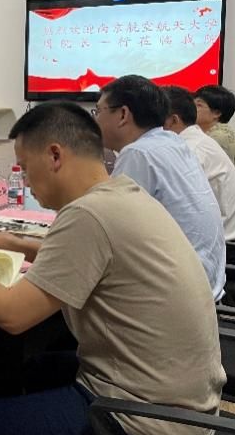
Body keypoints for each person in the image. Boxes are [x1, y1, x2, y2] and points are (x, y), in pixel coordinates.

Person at [0, 101, 225, 435]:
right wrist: (16, 242)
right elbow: (93, 256)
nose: (25, 180)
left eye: (25, 167)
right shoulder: (121, 193)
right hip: (185, 410)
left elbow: (13, 315)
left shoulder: (87, 215)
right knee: (33, 370)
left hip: (148, 429)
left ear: (55, 155)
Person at [94, 75, 226, 301]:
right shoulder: (172, 142)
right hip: (204, 281)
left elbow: (105, 230)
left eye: (98, 111)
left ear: (123, 114)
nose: (95, 119)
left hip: (180, 296)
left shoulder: (139, 153)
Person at [163, 86, 235, 259]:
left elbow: (177, 208)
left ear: (173, 120)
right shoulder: (198, 139)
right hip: (228, 241)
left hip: (224, 251)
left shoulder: (192, 149)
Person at [194, 85, 235, 193]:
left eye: (198, 105)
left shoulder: (216, 138)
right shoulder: (223, 132)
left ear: (216, 113)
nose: (191, 108)